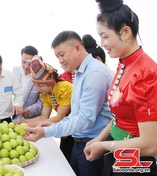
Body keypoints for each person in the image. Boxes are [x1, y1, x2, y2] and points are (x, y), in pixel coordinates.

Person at [84, 0, 157, 175]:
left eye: (105, 36)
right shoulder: (124, 64)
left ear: (125, 32)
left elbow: (151, 145)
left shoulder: (146, 74)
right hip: (118, 152)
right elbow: (121, 116)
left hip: (137, 162)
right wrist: (100, 138)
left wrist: (105, 145)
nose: (101, 43)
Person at [23, 30, 113, 176]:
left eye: (62, 54)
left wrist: (47, 131)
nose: (60, 60)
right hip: (78, 141)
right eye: (57, 56)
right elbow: (76, 114)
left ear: (77, 48)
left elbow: (85, 119)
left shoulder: (95, 73)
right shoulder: (79, 73)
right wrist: (55, 125)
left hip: (93, 143)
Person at [18, 55, 74, 163]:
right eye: (36, 86)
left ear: (50, 82)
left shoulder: (64, 88)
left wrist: (29, 125)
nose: (38, 90)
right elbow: (44, 117)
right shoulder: (46, 93)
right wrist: (23, 122)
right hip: (65, 126)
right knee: (65, 156)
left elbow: (58, 117)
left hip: (76, 126)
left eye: (41, 86)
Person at [12, 45, 43, 121]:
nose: (26, 66)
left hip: (31, 120)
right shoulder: (15, 70)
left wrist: (30, 110)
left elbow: (43, 102)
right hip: (13, 118)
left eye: (29, 63)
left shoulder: (41, 77)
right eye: (23, 62)